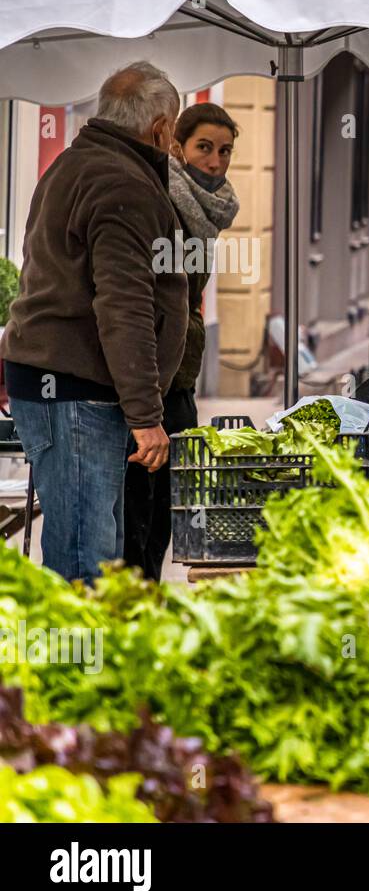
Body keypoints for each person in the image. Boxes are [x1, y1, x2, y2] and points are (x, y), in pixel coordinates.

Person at [1, 62, 187, 583]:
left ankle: (79, 658)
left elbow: (47, 271)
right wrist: (146, 415)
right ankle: (77, 663)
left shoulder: (77, 163)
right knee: (87, 555)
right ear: (160, 128)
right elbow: (123, 305)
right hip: (75, 390)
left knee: (88, 541)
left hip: (63, 384)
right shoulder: (118, 181)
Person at [121, 102, 241, 581]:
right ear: (178, 146)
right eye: (204, 148)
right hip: (150, 376)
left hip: (182, 375)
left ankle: (146, 601)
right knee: (140, 508)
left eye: (225, 151)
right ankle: (133, 609)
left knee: (169, 505)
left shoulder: (207, 208)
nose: (215, 162)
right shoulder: (162, 197)